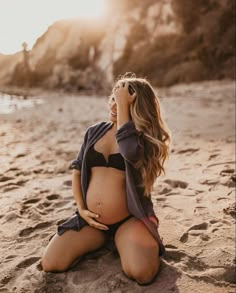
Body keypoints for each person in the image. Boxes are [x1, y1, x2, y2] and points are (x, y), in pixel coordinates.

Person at [41, 73, 171, 285]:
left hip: (127, 221)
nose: (113, 104)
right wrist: (82, 209)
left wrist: (123, 109)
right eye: (113, 97)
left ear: (136, 105)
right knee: (51, 262)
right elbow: (77, 170)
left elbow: (129, 151)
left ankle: (125, 241)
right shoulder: (94, 132)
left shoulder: (141, 140)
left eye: (121, 100)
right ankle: (103, 241)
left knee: (142, 273)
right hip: (92, 221)